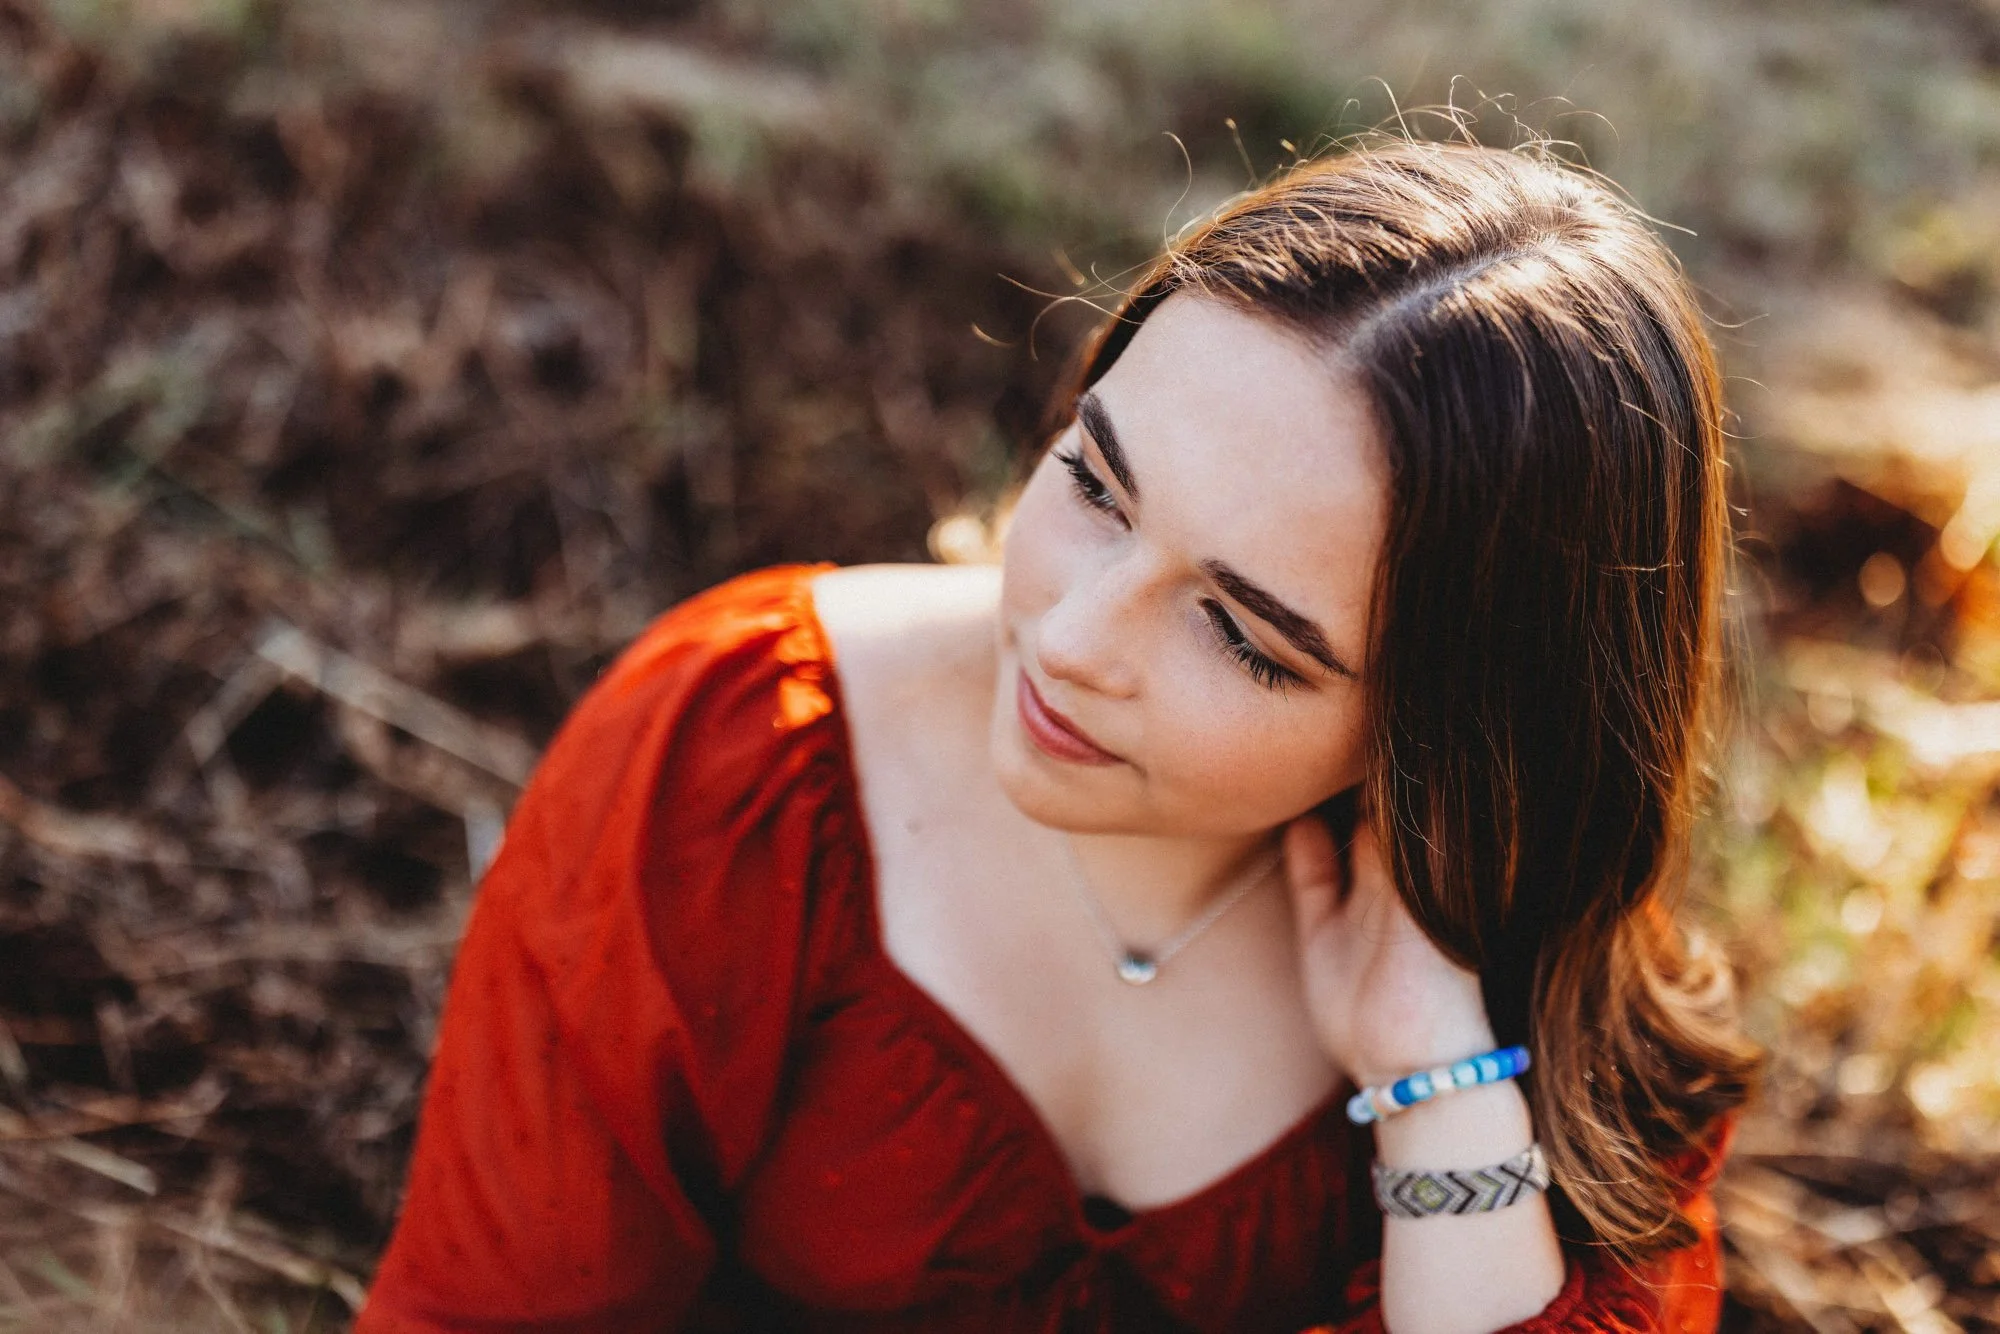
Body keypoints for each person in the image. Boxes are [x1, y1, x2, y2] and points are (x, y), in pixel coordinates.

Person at [355, 140, 1760, 1334]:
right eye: (1096, 481)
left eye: (1241, 633)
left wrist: (1432, 1072)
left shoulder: (1538, 998)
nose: (1075, 637)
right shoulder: (731, 762)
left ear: (1459, 730)